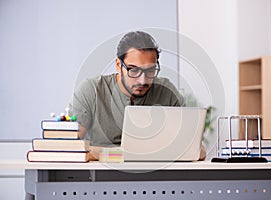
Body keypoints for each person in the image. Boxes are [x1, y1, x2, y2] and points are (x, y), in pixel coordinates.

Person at [68, 31, 206, 160]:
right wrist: (124, 156)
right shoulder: (92, 90)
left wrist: (103, 153)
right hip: (100, 177)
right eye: (134, 70)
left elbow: (198, 151)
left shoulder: (167, 92)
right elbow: (69, 148)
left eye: (150, 71)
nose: (143, 80)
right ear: (118, 65)